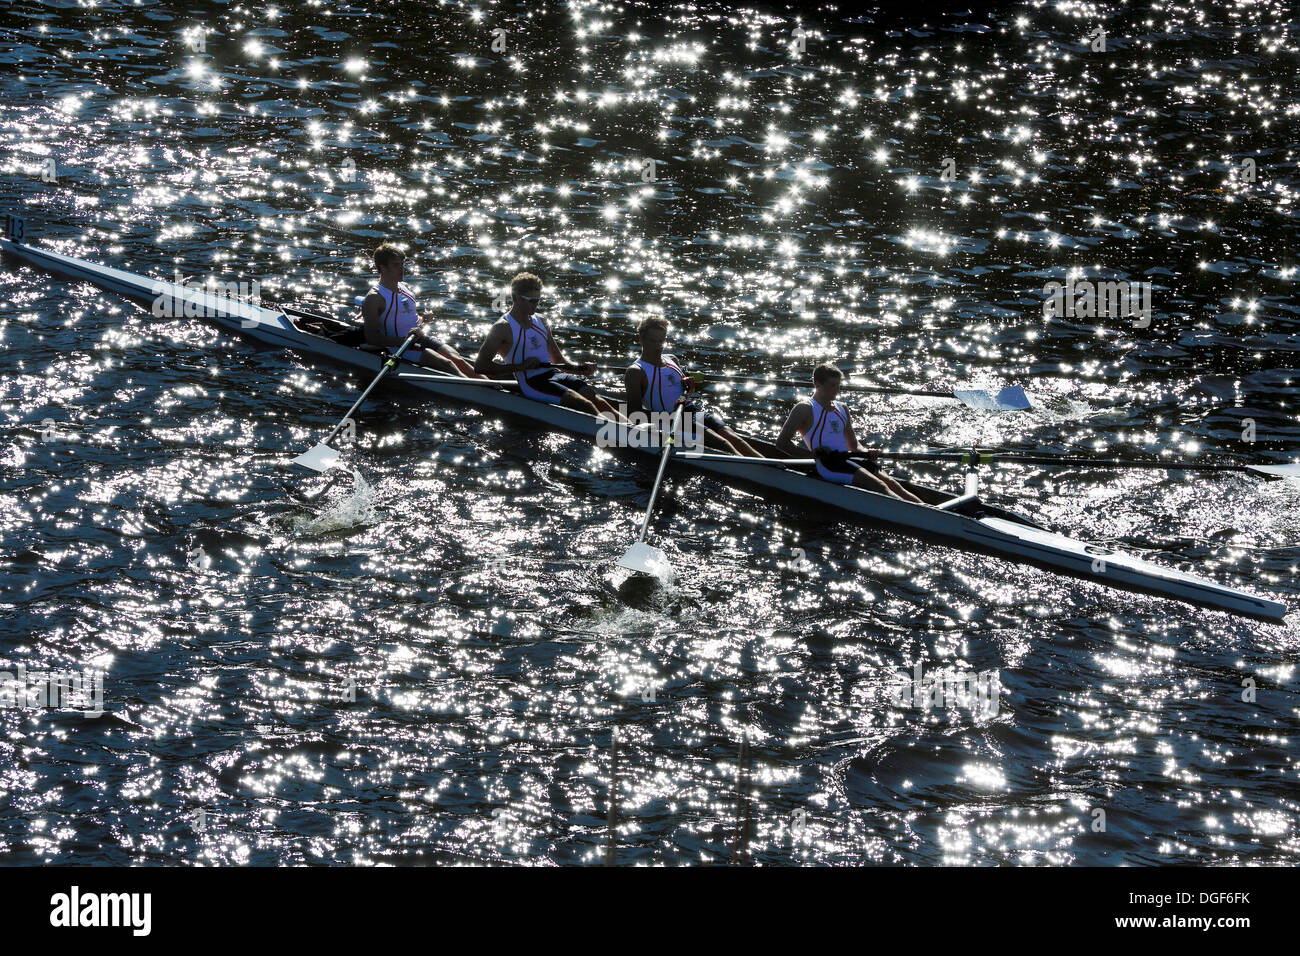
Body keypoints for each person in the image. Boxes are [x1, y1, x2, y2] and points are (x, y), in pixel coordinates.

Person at [474, 272, 624, 420]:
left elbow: (559, 360)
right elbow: (480, 367)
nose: (536, 305)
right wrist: (520, 366)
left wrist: (580, 368)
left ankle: (632, 428)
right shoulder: (502, 328)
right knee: (582, 403)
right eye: (532, 301)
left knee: (591, 394)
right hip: (532, 383)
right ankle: (615, 433)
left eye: (538, 300)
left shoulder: (541, 321)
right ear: (517, 298)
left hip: (554, 374)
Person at [775, 363, 923, 502]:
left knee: (892, 483)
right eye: (832, 385)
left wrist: (867, 451)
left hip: (847, 458)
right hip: (828, 464)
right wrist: (811, 455)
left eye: (839, 385)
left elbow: (853, 445)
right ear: (817, 385)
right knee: (880, 486)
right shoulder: (804, 408)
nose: (837, 389)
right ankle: (921, 518)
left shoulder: (842, 408)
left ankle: (929, 510)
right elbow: (782, 443)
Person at [624, 316, 761, 456]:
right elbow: (634, 414)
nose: (658, 346)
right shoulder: (636, 372)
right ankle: (757, 471)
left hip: (692, 412)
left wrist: (689, 389)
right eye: (653, 341)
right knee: (722, 444)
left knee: (735, 439)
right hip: (671, 421)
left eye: (661, 341)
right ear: (641, 339)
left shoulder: (672, 360)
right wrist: (669, 417)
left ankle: (775, 467)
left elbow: (682, 393)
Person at [361, 244, 478, 377]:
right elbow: (371, 338)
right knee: (448, 365)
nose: (402, 269)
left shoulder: (404, 287)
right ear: (383, 267)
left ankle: (493, 387)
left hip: (419, 338)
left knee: (459, 361)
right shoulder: (375, 297)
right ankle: (480, 394)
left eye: (402, 264)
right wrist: (404, 341)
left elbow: (406, 319)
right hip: (398, 346)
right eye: (396, 265)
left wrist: (423, 319)